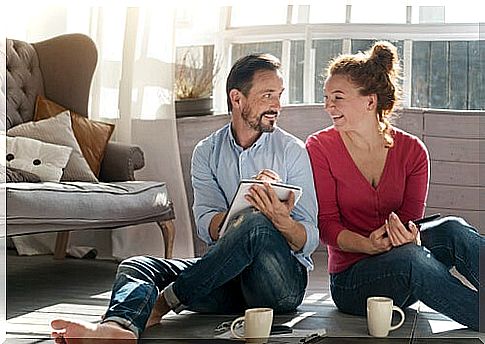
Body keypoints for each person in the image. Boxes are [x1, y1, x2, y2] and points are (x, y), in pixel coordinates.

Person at [51, 53, 319, 342]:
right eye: (268, 95)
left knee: (257, 226)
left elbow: (309, 238)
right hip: (223, 280)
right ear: (237, 98)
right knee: (137, 265)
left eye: (279, 95)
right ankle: (119, 328)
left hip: (277, 285)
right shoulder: (207, 151)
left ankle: (162, 304)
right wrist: (245, 207)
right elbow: (207, 226)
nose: (277, 105)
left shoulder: (293, 151)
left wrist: (279, 219)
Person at [305, 41, 483, 332]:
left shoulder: (413, 151)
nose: (328, 106)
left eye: (337, 97)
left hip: (405, 266)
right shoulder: (319, 147)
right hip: (353, 283)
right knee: (411, 258)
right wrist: (367, 245)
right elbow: (325, 225)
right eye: (326, 97)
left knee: (452, 228)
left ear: (370, 101)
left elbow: (409, 221)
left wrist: (408, 237)